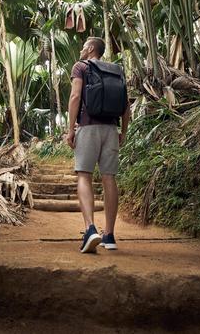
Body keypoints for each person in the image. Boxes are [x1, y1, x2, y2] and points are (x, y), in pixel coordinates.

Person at [65, 37, 130, 253]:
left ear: (91, 48)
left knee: (84, 175)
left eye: (84, 46)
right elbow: (126, 106)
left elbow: (75, 96)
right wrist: (124, 131)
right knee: (109, 177)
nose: (81, 49)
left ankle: (89, 229)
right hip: (111, 129)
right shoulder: (116, 70)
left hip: (88, 127)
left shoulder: (81, 67)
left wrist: (70, 129)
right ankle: (109, 235)